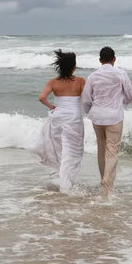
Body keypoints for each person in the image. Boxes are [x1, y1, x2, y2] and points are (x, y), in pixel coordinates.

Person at [30, 50, 85, 192]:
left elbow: (41, 97)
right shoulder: (80, 81)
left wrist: (52, 107)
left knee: (60, 148)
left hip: (58, 116)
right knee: (72, 150)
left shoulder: (53, 82)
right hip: (74, 118)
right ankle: (66, 183)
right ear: (73, 68)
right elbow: (88, 99)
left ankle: (62, 177)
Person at [82, 47, 132, 195]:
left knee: (101, 148)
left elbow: (86, 99)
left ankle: (105, 184)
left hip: (97, 117)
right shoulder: (121, 74)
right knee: (112, 151)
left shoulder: (92, 76)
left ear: (100, 60)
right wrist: (118, 103)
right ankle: (107, 180)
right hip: (114, 116)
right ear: (114, 59)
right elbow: (130, 95)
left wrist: (91, 112)